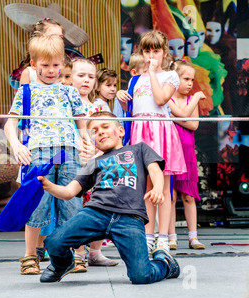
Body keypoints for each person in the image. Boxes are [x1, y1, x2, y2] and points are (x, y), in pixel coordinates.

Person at [38, 111, 180, 284]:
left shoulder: (139, 149)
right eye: (95, 131)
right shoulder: (92, 163)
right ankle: (64, 264)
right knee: (53, 242)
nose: (100, 132)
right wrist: (48, 185)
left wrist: (158, 187)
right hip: (96, 213)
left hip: (130, 217)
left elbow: (155, 170)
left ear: (120, 131)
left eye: (105, 127)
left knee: (141, 276)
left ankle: (165, 263)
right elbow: (69, 192)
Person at [4, 35, 89, 275]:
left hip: (69, 152)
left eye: (55, 65)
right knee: (37, 204)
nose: (51, 70)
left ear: (62, 63)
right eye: (45, 65)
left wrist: (86, 141)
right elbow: (11, 123)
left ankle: (76, 254)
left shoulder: (70, 92)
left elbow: (81, 122)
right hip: (39, 153)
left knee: (72, 203)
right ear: (33, 64)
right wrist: (16, 145)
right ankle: (30, 256)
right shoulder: (26, 92)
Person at [116, 31, 187, 253]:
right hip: (140, 133)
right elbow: (132, 110)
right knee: (146, 188)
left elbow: (160, 99)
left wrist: (153, 72)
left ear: (164, 52)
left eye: (156, 51)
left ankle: (163, 237)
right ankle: (148, 235)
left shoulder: (170, 76)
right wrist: (121, 95)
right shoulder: (135, 79)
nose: (151, 55)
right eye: (147, 51)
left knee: (164, 187)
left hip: (160, 132)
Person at [70, 59, 118, 271]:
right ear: (71, 78)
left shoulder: (97, 106)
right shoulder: (66, 104)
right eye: (81, 76)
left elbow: (106, 134)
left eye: (91, 77)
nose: (86, 81)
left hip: (97, 165)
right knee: (78, 211)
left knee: (99, 207)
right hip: (75, 165)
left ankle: (95, 252)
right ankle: (78, 253)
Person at [167, 60, 206, 250]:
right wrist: (182, 115)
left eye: (192, 80)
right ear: (175, 78)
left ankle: (193, 237)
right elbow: (185, 118)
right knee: (171, 196)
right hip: (171, 153)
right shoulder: (168, 99)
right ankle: (172, 236)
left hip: (188, 153)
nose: (190, 83)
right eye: (186, 79)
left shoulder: (191, 100)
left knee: (189, 196)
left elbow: (193, 124)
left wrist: (178, 117)